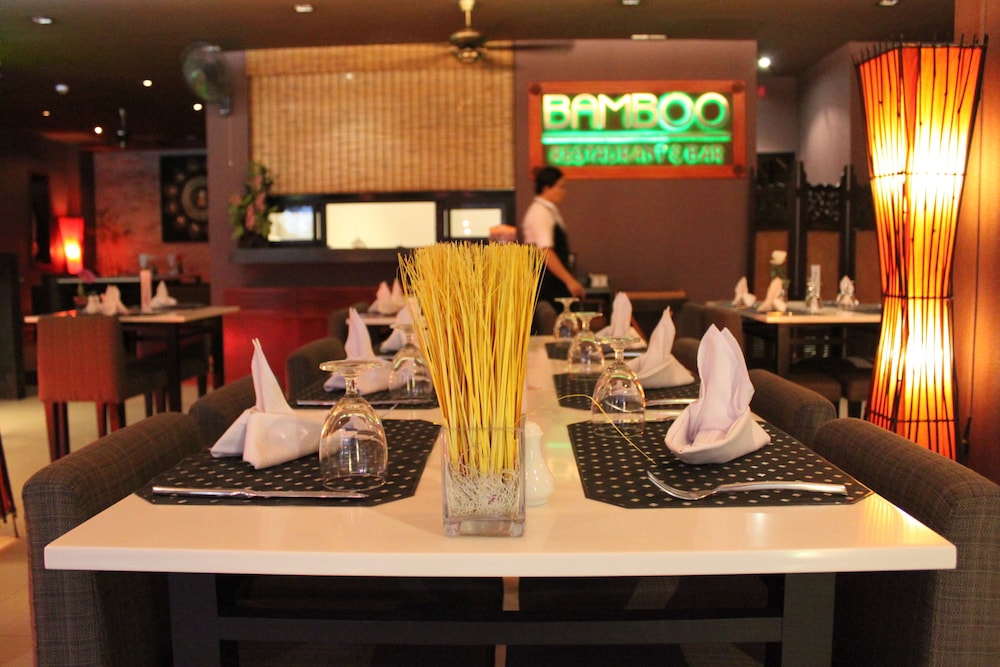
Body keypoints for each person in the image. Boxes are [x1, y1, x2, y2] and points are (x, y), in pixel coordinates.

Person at [521, 166, 586, 311]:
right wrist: (570, 281)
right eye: (560, 187)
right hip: (546, 286)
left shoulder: (548, 211)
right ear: (546, 188)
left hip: (553, 283)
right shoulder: (539, 213)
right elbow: (546, 251)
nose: (564, 191)